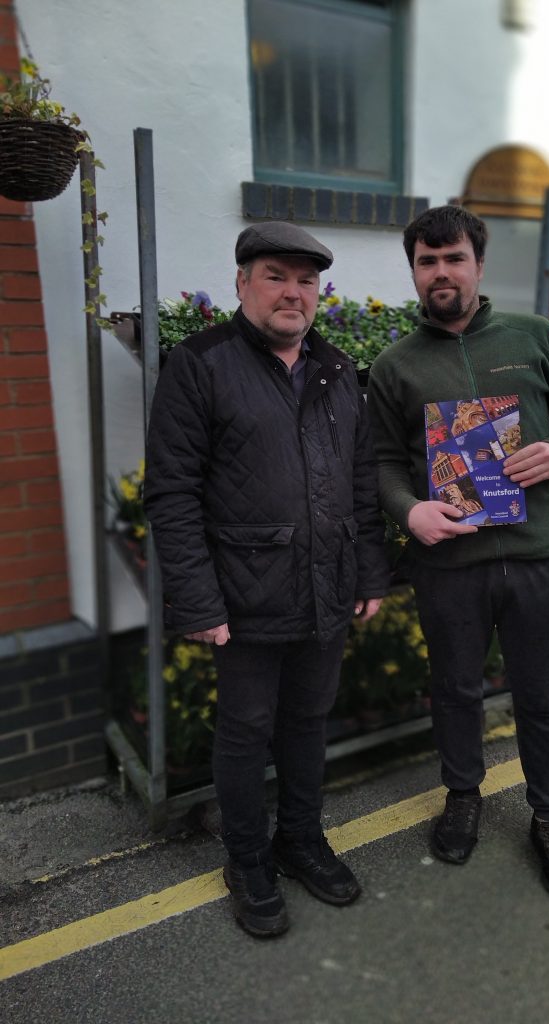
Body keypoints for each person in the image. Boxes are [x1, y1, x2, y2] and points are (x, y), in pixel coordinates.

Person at [144, 221, 389, 938]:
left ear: (320, 294)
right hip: (242, 598)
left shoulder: (339, 369)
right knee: (247, 732)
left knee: (308, 723)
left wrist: (369, 568)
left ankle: (301, 839)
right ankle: (247, 858)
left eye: (306, 281)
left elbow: (361, 481)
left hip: (327, 589)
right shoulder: (199, 364)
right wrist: (197, 599)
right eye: (277, 275)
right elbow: (172, 491)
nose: (293, 292)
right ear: (242, 282)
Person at [366, 205, 549, 899]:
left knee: (542, 699)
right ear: (414, 270)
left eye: (453, 258)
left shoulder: (533, 337)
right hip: (448, 568)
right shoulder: (394, 365)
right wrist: (409, 510)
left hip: (538, 556)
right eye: (426, 261)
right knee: (455, 692)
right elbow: (381, 462)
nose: (440, 272)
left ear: (477, 262)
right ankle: (462, 794)